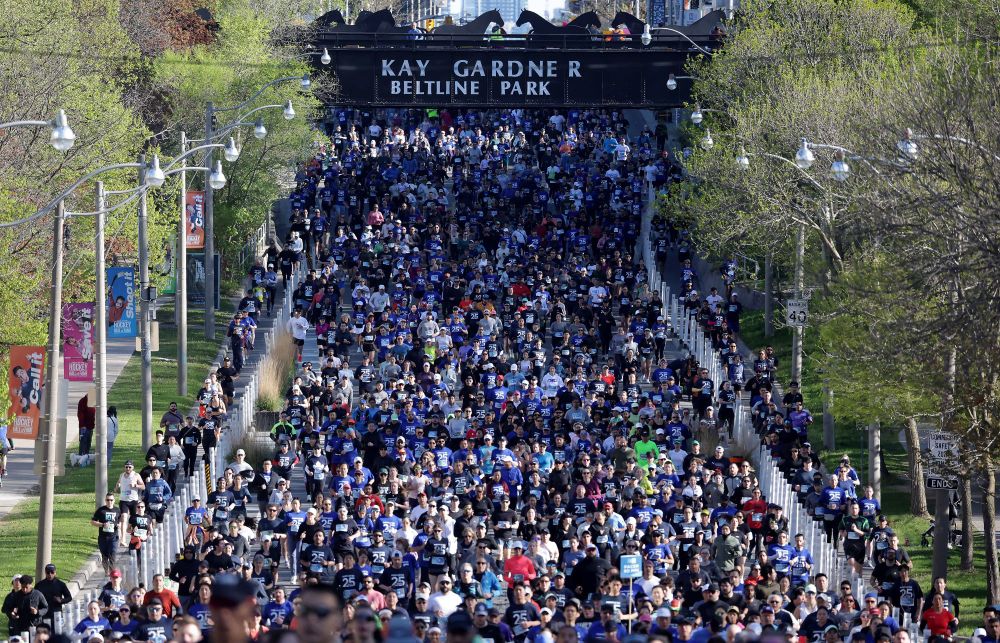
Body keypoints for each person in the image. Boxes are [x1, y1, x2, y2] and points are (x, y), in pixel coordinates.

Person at [34, 564, 71, 630]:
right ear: (45, 573)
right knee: (45, 634)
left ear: (55, 572)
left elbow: (69, 597)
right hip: (44, 615)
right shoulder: (39, 585)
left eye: (52, 572)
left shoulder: (60, 584)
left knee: (57, 634)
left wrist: (61, 600)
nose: (50, 574)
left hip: (56, 614)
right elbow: (34, 598)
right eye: (48, 572)